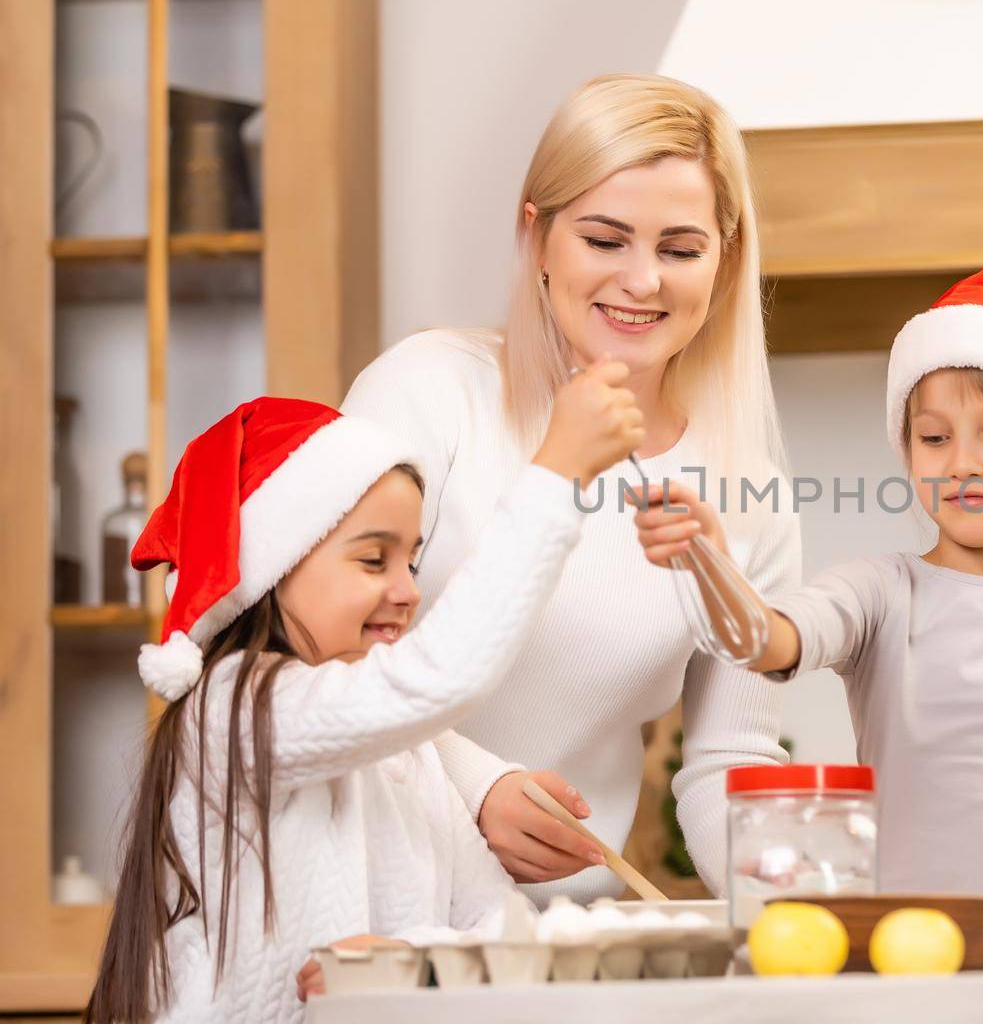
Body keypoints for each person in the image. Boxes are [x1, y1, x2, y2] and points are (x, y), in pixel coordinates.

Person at [341, 74, 798, 902]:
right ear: (539, 237)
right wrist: (477, 785)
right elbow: (315, 656)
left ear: (724, 262)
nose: (643, 280)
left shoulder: (749, 493)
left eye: (681, 249)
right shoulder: (427, 393)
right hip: (376, 900)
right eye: (605, 239)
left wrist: (799, 916)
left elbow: (729, 758)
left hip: (560, 936)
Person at [85, 374, 640, 1023]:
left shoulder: (409, 758)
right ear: (277, 565)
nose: (407, 588)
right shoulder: (234, 708)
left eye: (412, 560)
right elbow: (438, 679)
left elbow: (497, 925)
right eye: (375, 560)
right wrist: (557, 474)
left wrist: (413, 966)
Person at [636, 259, 983, 893]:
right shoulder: (880, 594)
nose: (962, 463)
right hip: (906, 958)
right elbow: (768, 644)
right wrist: (713, 568)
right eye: (933, 438)